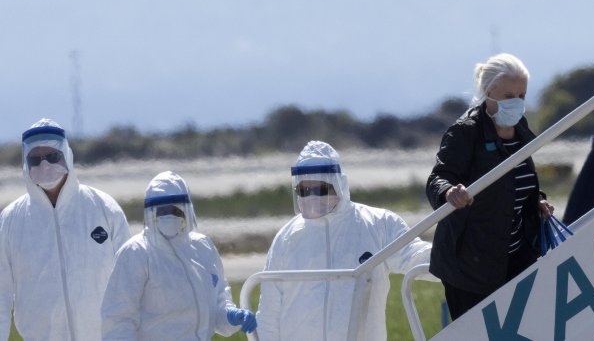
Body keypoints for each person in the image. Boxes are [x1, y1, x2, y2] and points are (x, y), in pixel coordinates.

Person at [255, 140, 433, 341]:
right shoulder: (287, 238)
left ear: (338, 184)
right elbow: (269, 311)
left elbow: (417, 258)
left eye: (320, 190)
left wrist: (466, 256)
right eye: (304, 191)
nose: (312, 198)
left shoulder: (378, 224)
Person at [426, 52, 555, 319]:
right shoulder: (465, 131)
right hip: (469, 269)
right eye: (509, 96)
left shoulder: (520, 129)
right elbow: (437, 179)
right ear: (488, 92)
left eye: (522, 96)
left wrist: (536, 201)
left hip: (515, 257)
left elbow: (518, 183)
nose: (517, 103)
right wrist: (449, 192)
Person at [0, 118, 130, 341]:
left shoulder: (104, 208)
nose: (45, 165)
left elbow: (131, 285)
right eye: (35, 159)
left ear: (66, 155)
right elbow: (1, 294)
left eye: (52, 156)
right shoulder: (11, 221)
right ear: (25, 162)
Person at [101, 171, 256, 340]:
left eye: (175, 209)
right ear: (150, 213)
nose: (170, 215)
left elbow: (217, 304)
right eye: (162, 210)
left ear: (187, 209)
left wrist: (231, 316)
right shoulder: (136, 252)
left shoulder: (202, 247)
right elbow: (118, 320)